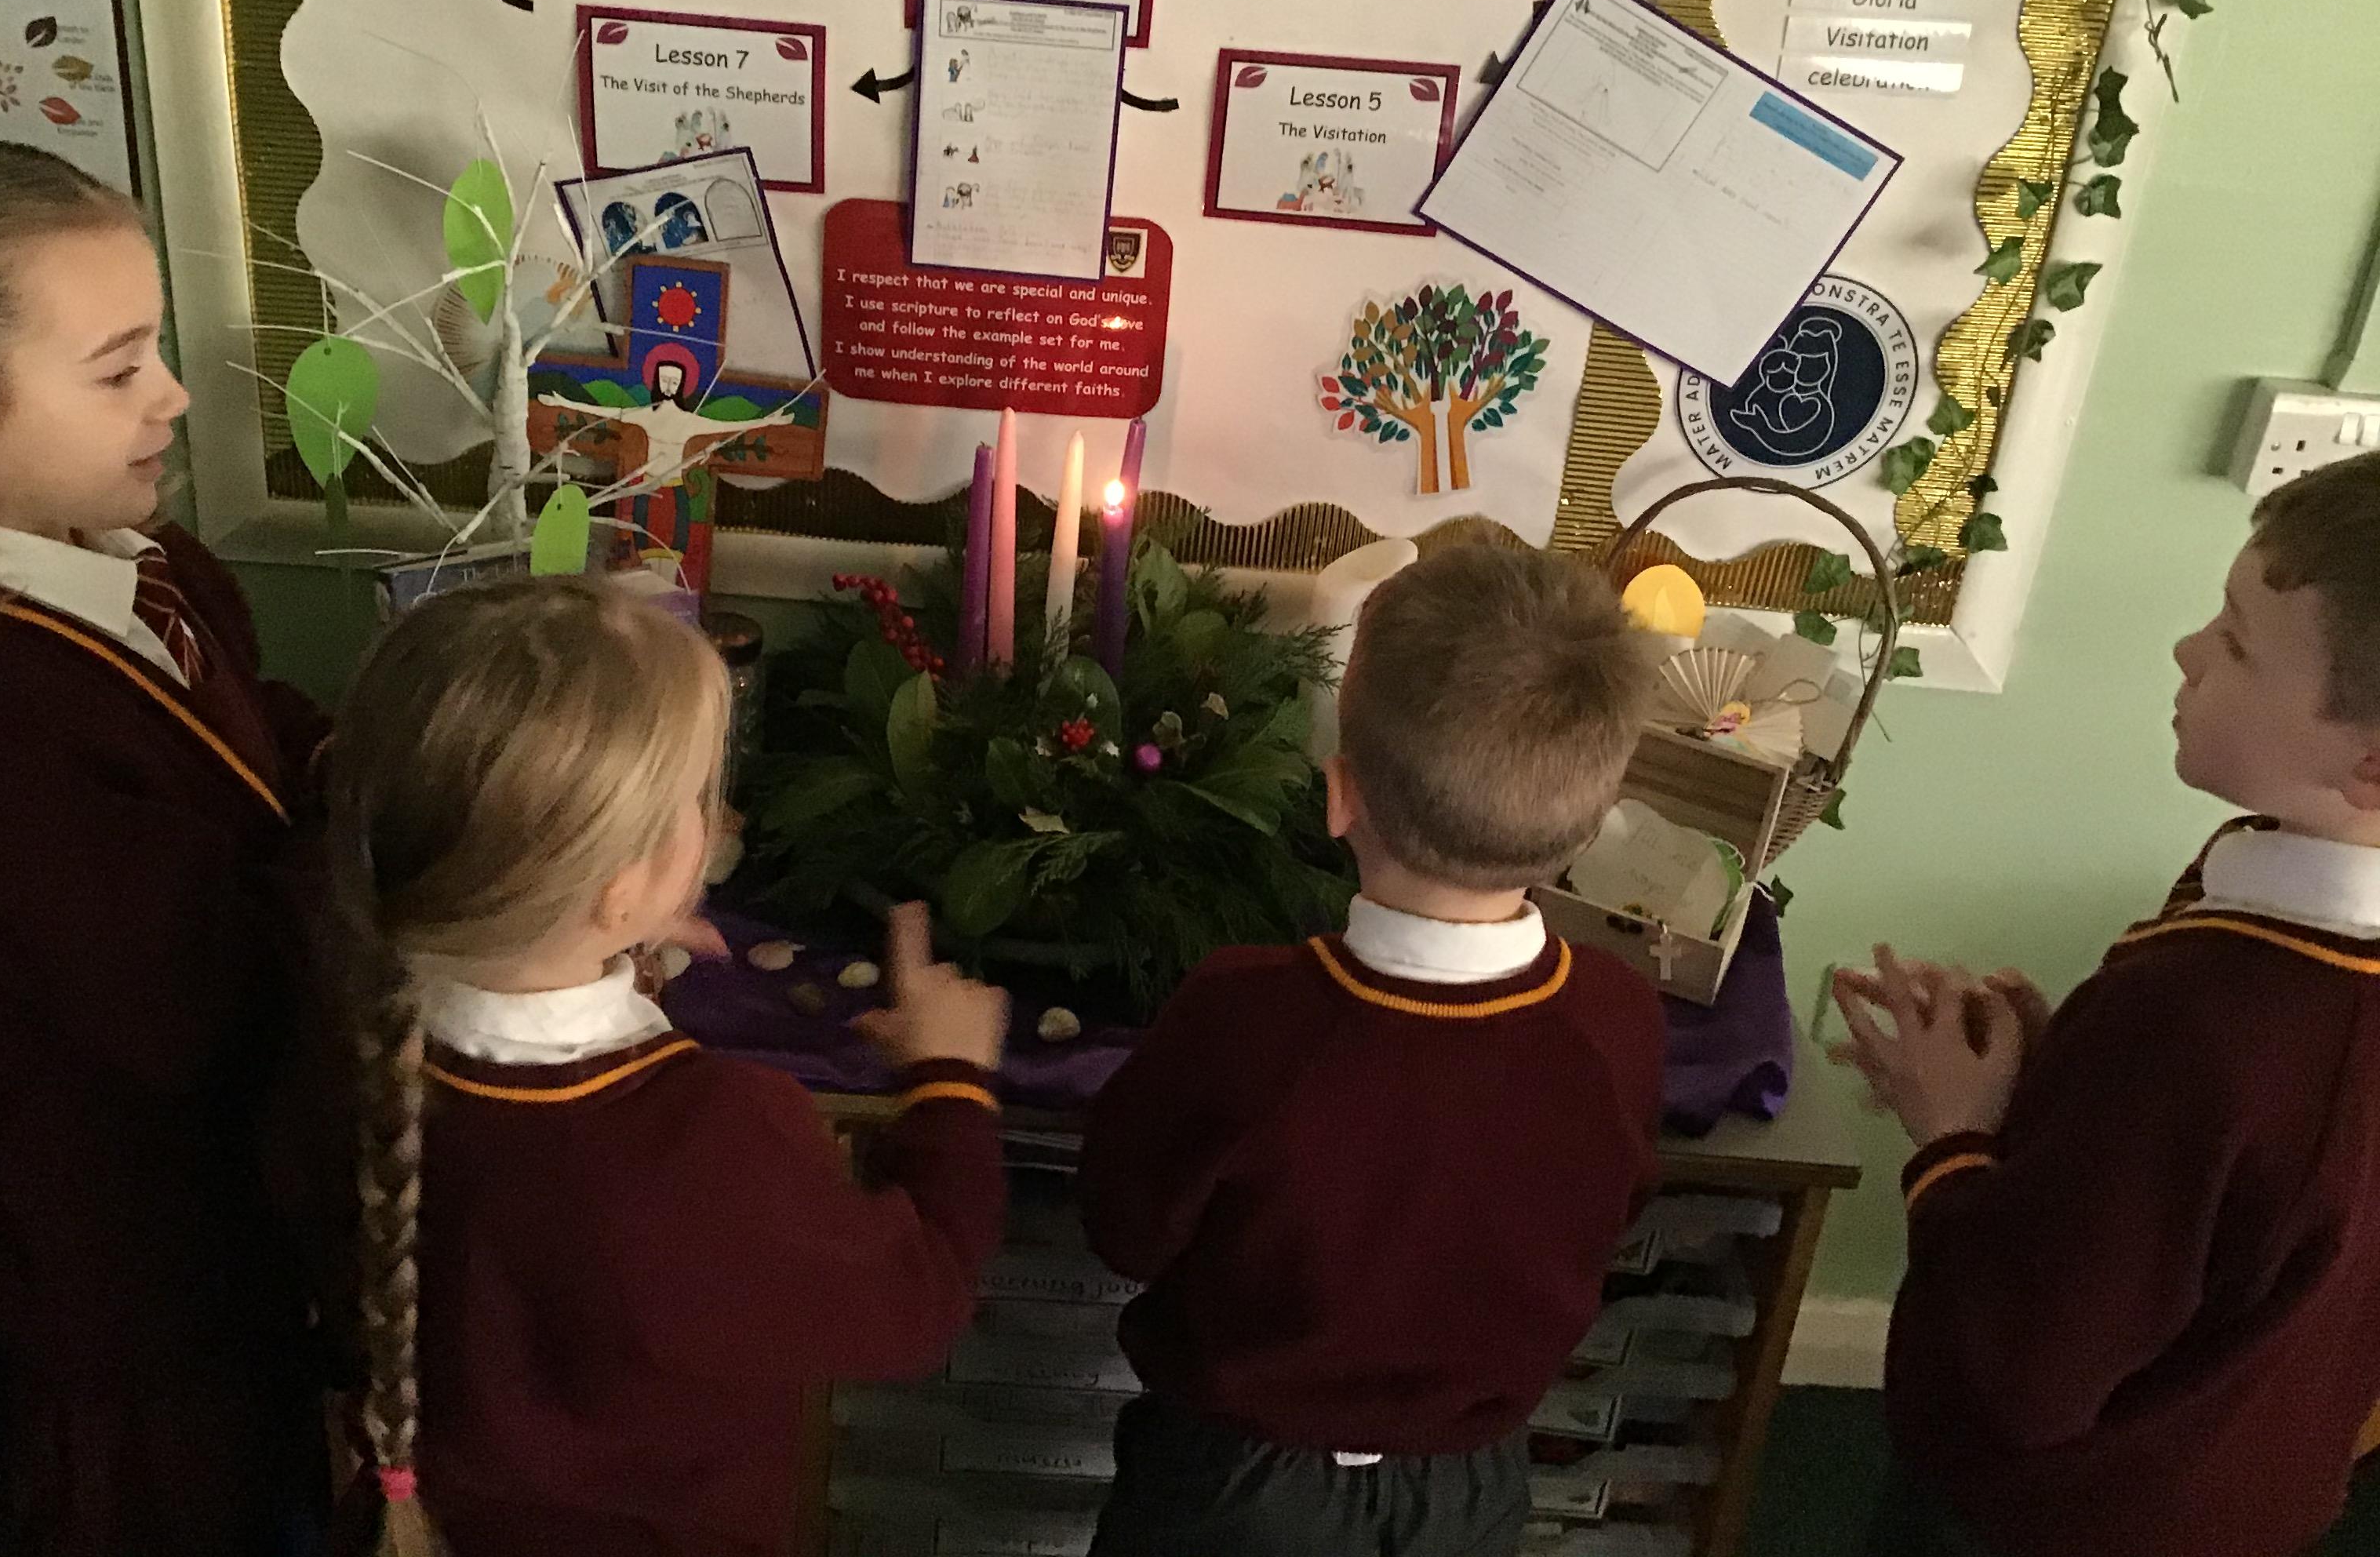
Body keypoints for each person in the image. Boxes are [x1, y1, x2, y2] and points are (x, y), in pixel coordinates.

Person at [0, 137, 340, 1555]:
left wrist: (354, 758)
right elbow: (195, 1000)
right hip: (99, 1296)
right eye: (117, 370)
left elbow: (254, 725)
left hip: (200, 1225)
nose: (172, 394)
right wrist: (410, 841)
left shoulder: (142, 563)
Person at [324, 577, 1007, 1557]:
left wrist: (607, 937)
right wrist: (949, 1085)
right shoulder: (712, 1137)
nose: (719, 821)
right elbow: (915, 1301)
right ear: (617, 886)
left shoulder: (347, 1059)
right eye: (696, 800)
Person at [1836, 449, 2380, 1557]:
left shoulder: (2197, 1020)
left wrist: (1953, 1134)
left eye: (2236, 644)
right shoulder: (2272, 962)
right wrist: (2058, 1089)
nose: (2188, 651)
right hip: (2249, 1486)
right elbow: (2265, 1216)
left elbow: (2015, 1379)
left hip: (2066, 1518)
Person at [1079, 544, 1666, 1557]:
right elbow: (1613, 1212)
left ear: (1339, 795)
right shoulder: (1618, 1018)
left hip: (1233, 1485)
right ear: (1585, 830)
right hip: (1471, 1489)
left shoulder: (1246, 1016)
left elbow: (1125, 1229)